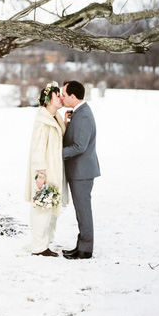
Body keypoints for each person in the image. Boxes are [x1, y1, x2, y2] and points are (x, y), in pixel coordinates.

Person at [25, 82, 68, 257]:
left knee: (51, 207)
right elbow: (38, 148)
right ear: (49, 99)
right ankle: (38, 246)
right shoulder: (42, 121)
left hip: (54, 169)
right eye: (58, 95)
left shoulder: (54, 117)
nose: (61, 98)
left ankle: (45, 242)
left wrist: (64, 122)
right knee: (42, 207)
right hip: (44, 171)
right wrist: (40, 173)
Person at [61, 80, 100, 260]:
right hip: (79, 171)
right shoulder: (78, 113)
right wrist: (68, 122)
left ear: (73, 96)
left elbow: (79, 146)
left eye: (64, 94)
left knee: (83, 211)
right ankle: (81, 246)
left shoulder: (83, 115)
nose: (62, 97)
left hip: (82, 172)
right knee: (80, 211)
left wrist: (55, 154)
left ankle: (85, 249)